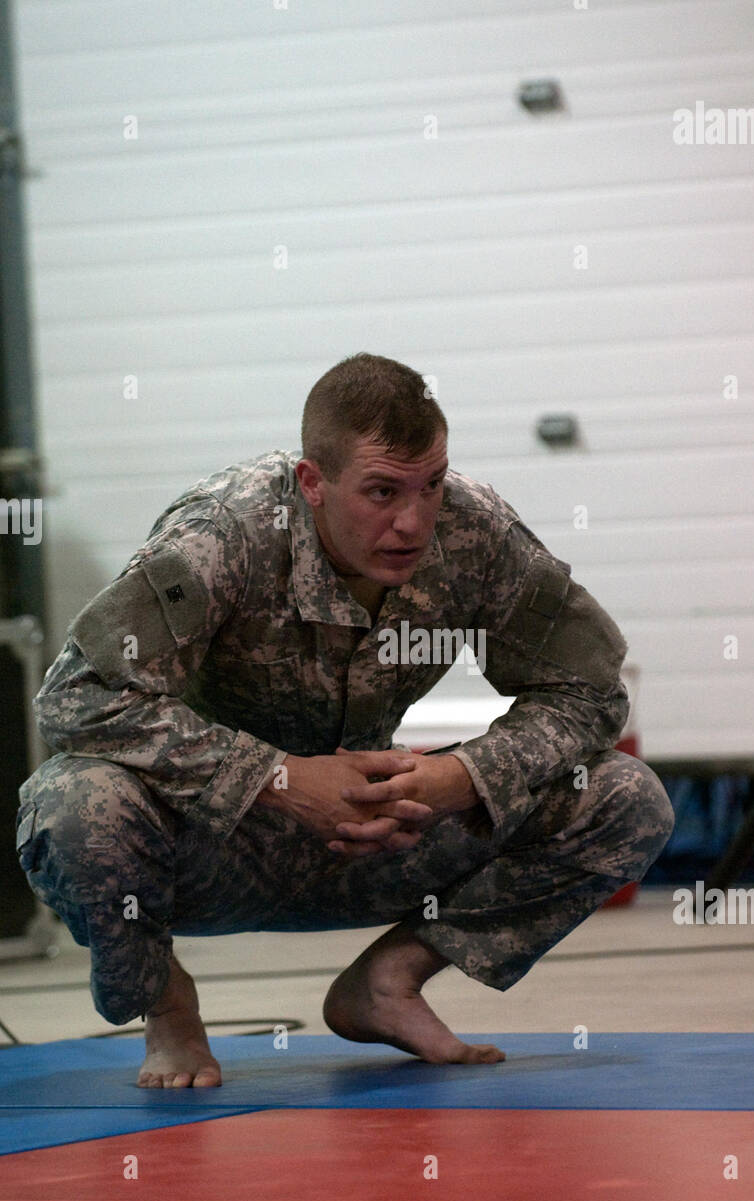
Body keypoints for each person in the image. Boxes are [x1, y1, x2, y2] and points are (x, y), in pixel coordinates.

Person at [16, 353, 675, 1087]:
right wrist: (275, 777)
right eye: (382, 491)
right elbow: (75, 697)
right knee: (73, 805)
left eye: (430, 485)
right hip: (208, 845)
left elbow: (588, 690)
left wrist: (461, 776)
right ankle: (170, 1013)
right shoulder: (225, 533)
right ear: (312, 482)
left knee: (624, 795)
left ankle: (387, 983)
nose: (412, 520)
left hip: (373, 833)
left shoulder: (474, 532)